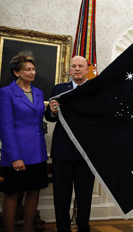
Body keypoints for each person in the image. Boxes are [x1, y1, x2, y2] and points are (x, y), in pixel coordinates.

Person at [0, 51, 48, 232]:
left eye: (33, 69)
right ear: (17, 72)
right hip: (17, 153)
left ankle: (28, 229)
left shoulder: (39, 93)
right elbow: (5, 127)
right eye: (27, 69)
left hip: (38, 152)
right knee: (12, 193)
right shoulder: (5, 93)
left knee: (34, 192)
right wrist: (15, 157)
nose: (32, 72)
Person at [45, 56, 95, 232]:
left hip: (86, 152)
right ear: (69, 70)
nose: (77, 69)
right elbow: (49, 117)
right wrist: (52, 111)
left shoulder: (95, 89)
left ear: (87, 68)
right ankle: (63, 229)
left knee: (84, 196)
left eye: (81, 66)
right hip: (62, 151)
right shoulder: (59, 89)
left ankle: (83, 228)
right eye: (73, 66)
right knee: (61, 196)